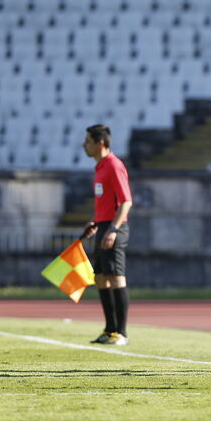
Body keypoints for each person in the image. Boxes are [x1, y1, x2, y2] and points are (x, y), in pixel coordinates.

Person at [82, 124, 133, 347]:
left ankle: (121, 333)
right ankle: (109, 328)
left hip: (115, 229)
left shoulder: (114, 165)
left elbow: (126, 202)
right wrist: (96, 221)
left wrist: (112, 229)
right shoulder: (100, 167)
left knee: (116, 277)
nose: (84, 145)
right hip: (103, 226)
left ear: (100, 143)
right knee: (100, 277)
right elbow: (106, 202)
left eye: (88, 141)